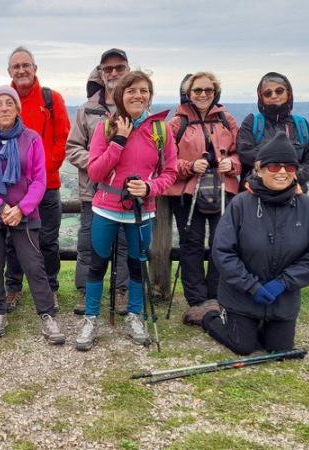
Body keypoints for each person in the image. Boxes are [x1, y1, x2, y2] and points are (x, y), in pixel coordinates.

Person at [74, 71, 178, 350]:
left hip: (142, 209)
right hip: (106, 208)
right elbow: (95, 171)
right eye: (131, 91)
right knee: (97, 264)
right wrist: (119, 140)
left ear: (150, 96)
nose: (138, 96)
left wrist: (149, 188)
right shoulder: (105, 128)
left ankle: (135, 315)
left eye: (143, 91)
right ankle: (91, 318)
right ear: (120, 96)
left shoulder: (161, 130)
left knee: (136, 264)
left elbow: (170, 172)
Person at [204, 132, 309, 355]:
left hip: (283, 298)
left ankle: (261, 325)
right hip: (241, 296)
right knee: (244, 346)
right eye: (274, 167)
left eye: (289, 167)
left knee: (279, 350)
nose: (282, 172)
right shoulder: (241, 204)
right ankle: (208, 317)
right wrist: (251, 285)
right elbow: (223, 252)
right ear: (259, 169)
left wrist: (283, 282)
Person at [0, 86, 65, 344]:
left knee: (34, 264)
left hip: (25, 212)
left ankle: (47, 314)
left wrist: (21, 208)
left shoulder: (31, 139)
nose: (3, 108)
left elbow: (39, 179)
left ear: (17, 109)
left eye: (9, 103)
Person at [166, 72, 241, 325]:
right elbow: (165, 162)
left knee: (223, 244)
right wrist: (189, 166)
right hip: (188, 193)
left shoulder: (226, 119)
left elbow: (241, 154)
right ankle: (197, 301)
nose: (203, 95)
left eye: (208, 90)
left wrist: (231, 164)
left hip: (222, 190)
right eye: (197, 90)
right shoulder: (177, 123)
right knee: (192, 245)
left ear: (215, 92)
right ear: (188, 92)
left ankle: (218, 297)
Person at [66, 48, 131, 316]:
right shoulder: (87, 109)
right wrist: (98, 164)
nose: (113, 73)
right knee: (89, 244)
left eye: (119, 68)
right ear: (100, 73)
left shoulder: (137, 106)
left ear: (128, 70)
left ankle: (121, 292)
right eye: (108, 69)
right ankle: (86, 293)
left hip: (127, 193)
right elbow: (72, 148)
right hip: (93, 193)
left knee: (126, 245)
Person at [5, 46, 70, 312]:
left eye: (26, 65)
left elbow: (61, 140)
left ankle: (50, 288)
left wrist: (40, 176)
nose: (21, 70)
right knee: (12, 240)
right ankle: (13, 288)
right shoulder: (5, 99)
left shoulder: (52, 99)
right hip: (13, 189)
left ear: (35, 68)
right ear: (9, 71)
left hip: (48, 186)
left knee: (48, 241)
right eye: (16, 66)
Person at [237, 72, 309, 192]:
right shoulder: (252, 122)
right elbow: (244, 153)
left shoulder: (301, 125)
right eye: (267, 93)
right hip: (256, 192)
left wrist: (292, 177)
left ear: (288, 93)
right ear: (261, 98)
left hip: (293, 193)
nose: (273, 95)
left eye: (279, 91)